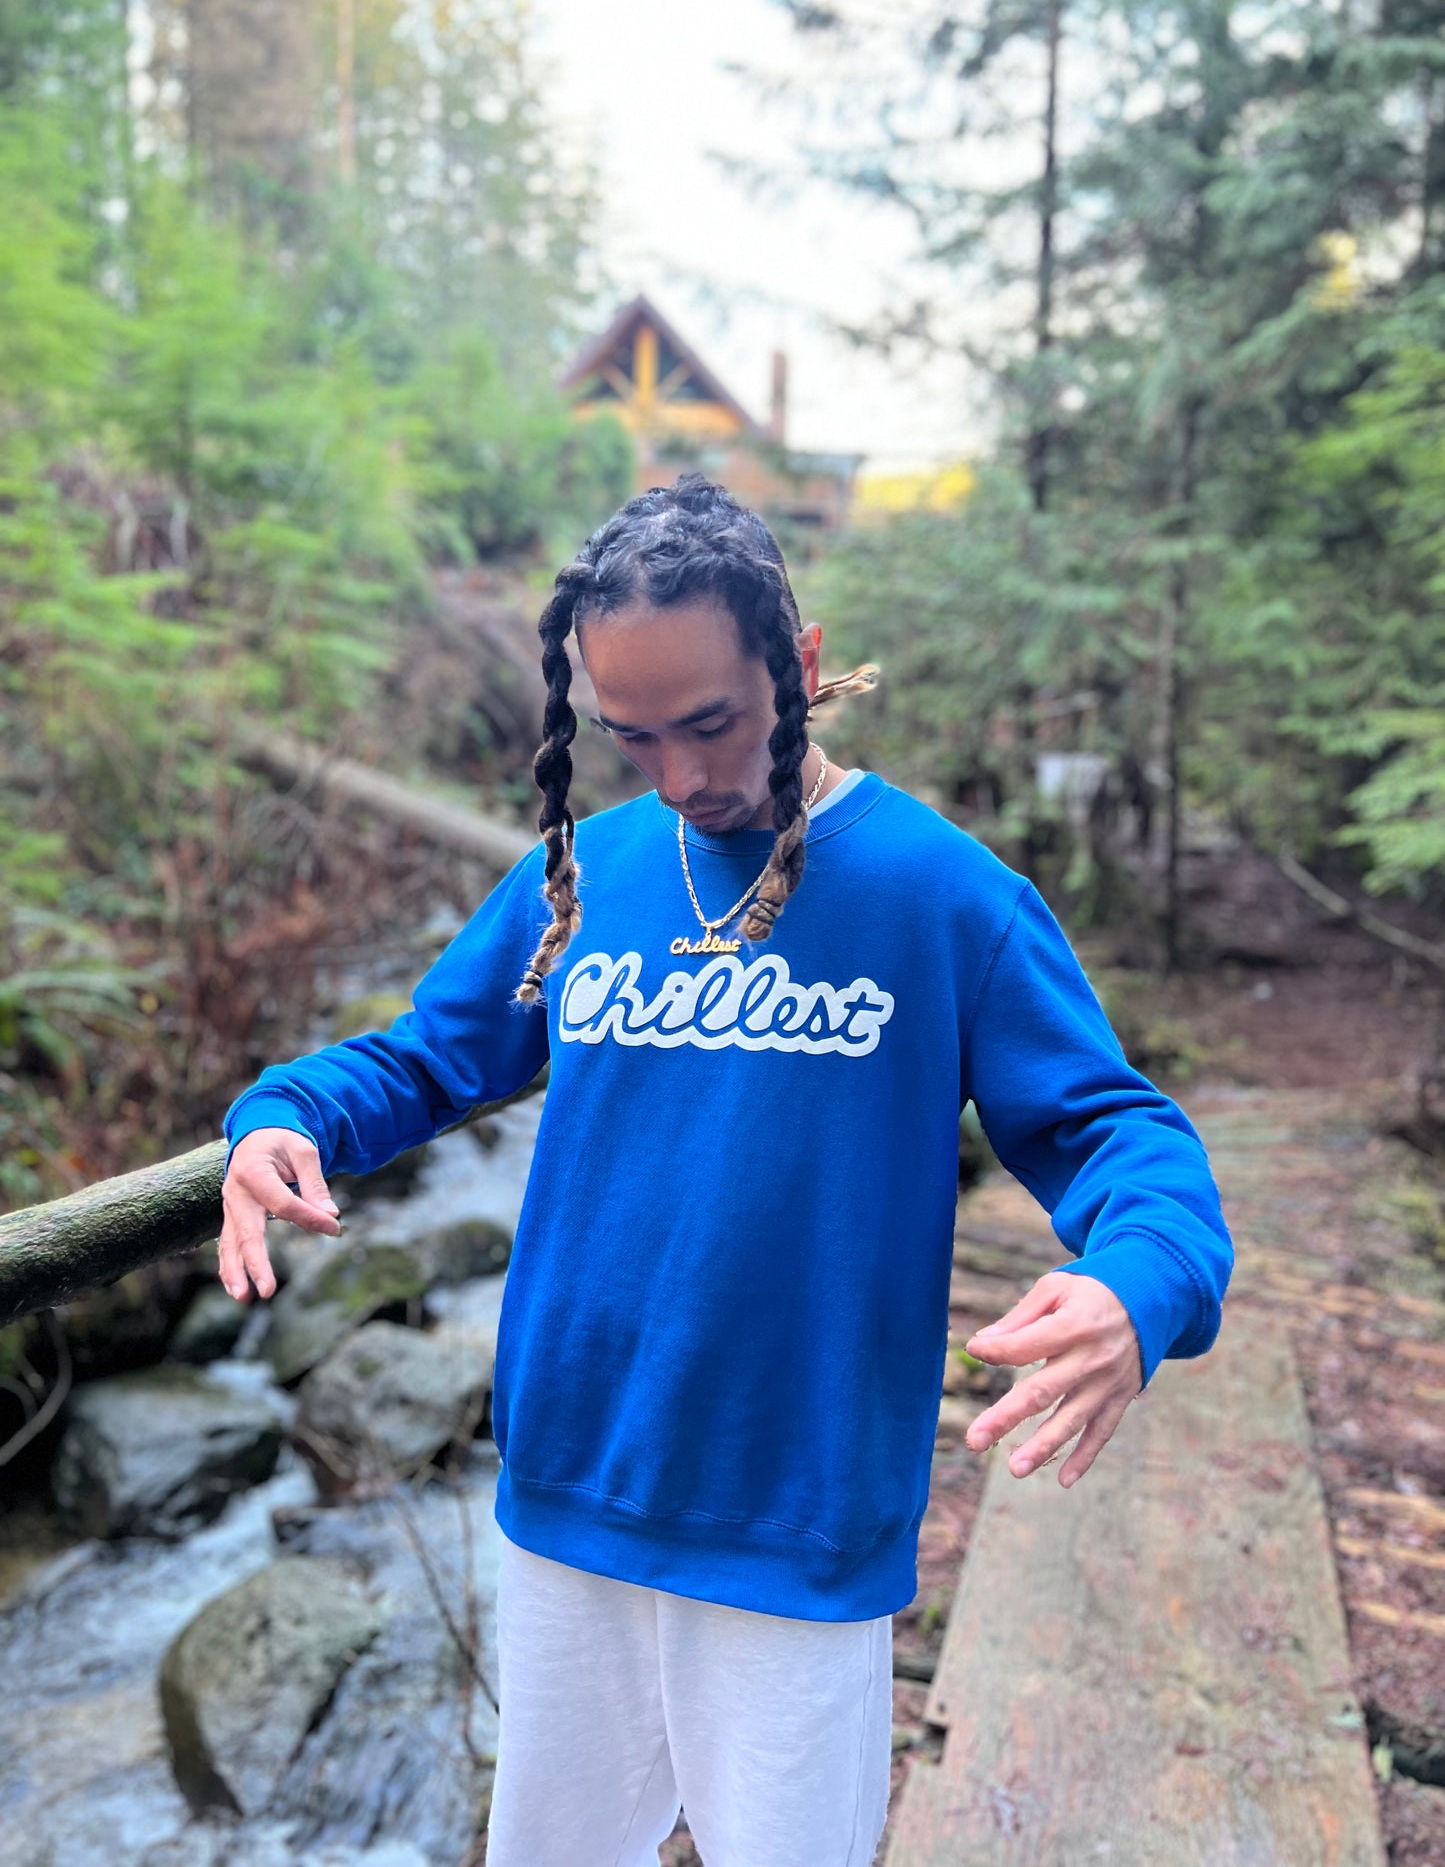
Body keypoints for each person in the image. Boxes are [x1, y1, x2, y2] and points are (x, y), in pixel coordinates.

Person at [219, 473, 1232, 1867]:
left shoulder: (941, 897)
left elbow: (1121, 1132)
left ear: (799, 665)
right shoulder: (582, 872)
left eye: (712, 722)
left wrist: (1142, 1281)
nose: (683, 777)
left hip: (794, 1509)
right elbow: (424, 1061)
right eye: (633, 738)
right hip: (571, 1479)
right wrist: (282, 1118)